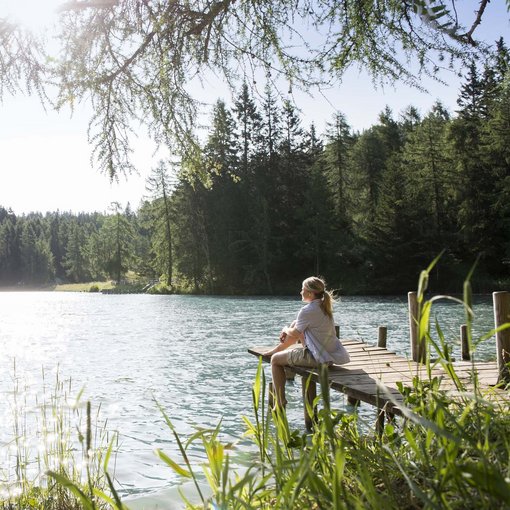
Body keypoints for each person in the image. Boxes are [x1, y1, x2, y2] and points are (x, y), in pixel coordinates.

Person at [265, 276, 350, 408]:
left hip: (316, 358)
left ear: (310, 293)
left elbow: (294, 333)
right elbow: (300, 326)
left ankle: (280, 401)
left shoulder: (307, 310)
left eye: (302, 289)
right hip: (328, 356)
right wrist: (291, 326)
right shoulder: (323, 307)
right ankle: (278, 349)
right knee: (297, 328)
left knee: (275, 360)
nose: (300, 292)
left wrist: (285, 329)